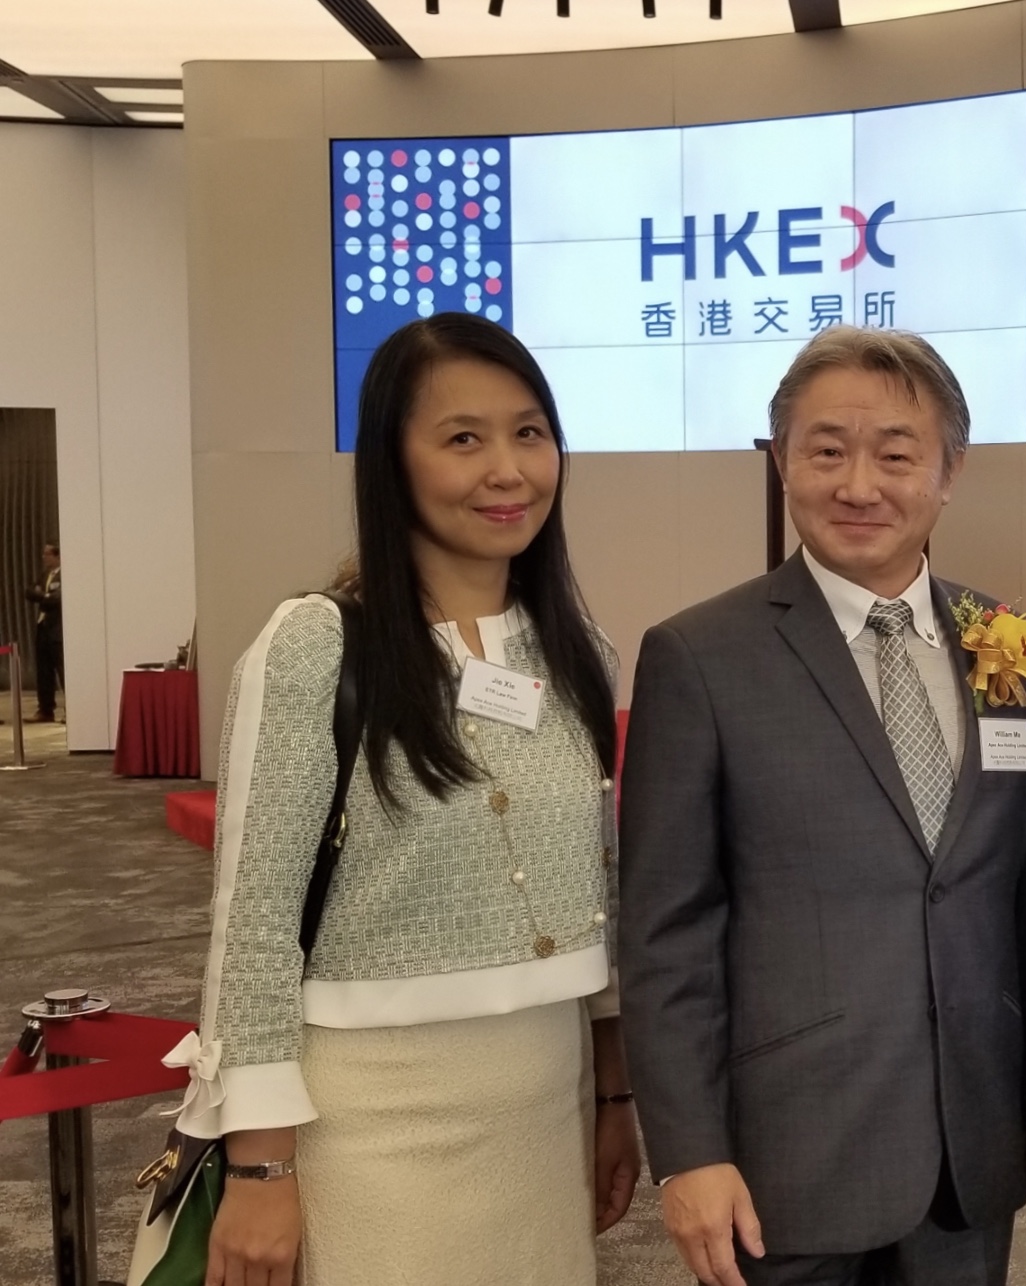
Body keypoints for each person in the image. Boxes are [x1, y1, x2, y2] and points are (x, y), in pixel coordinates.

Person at [176, 314, 639, 1286]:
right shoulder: (317, 646)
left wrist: (613, 1095)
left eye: (529, 432)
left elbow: (600, 886)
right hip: (372, 1120)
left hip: (547, 1105)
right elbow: (255, 923)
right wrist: (259, 1165)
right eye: (463, 438)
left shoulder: (575, 651)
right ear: (392, 461)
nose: (508, 470)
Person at [619, 326, 1026, 1286]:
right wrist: (689, 1151)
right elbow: (665, 933)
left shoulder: (1011, 643)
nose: (860, 485)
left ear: (949, 471)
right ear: (782, 460)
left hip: (973, 1145)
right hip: (787, 1157)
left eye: (896, 455)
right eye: (826, 451)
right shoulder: (700, 656)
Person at [24, 542, 61, 721]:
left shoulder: (65, 574)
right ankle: (45, 710)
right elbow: (30, 592)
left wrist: (43, 596)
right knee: (44, 671)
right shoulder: (45, 575)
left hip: (57, 629)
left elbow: (57, 599)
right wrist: (45, 596)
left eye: (47, 554)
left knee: (62, 670)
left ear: (57, 556)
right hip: (43, 627)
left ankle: (72, 711)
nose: (44, 557)